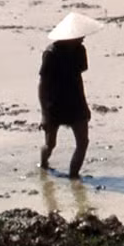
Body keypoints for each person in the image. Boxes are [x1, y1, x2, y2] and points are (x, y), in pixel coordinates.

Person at [38, 12, 104, 179]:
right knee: (50, 144)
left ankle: (74, 178)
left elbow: (78, 78)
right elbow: (43, 86)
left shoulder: (80, 51)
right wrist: (45, 115)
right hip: (55, 104)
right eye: (79, 36)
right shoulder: (51, 54)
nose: (82, 39)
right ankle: (43, 165)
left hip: (76, 103)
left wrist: (85, 106)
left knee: (83, 143)